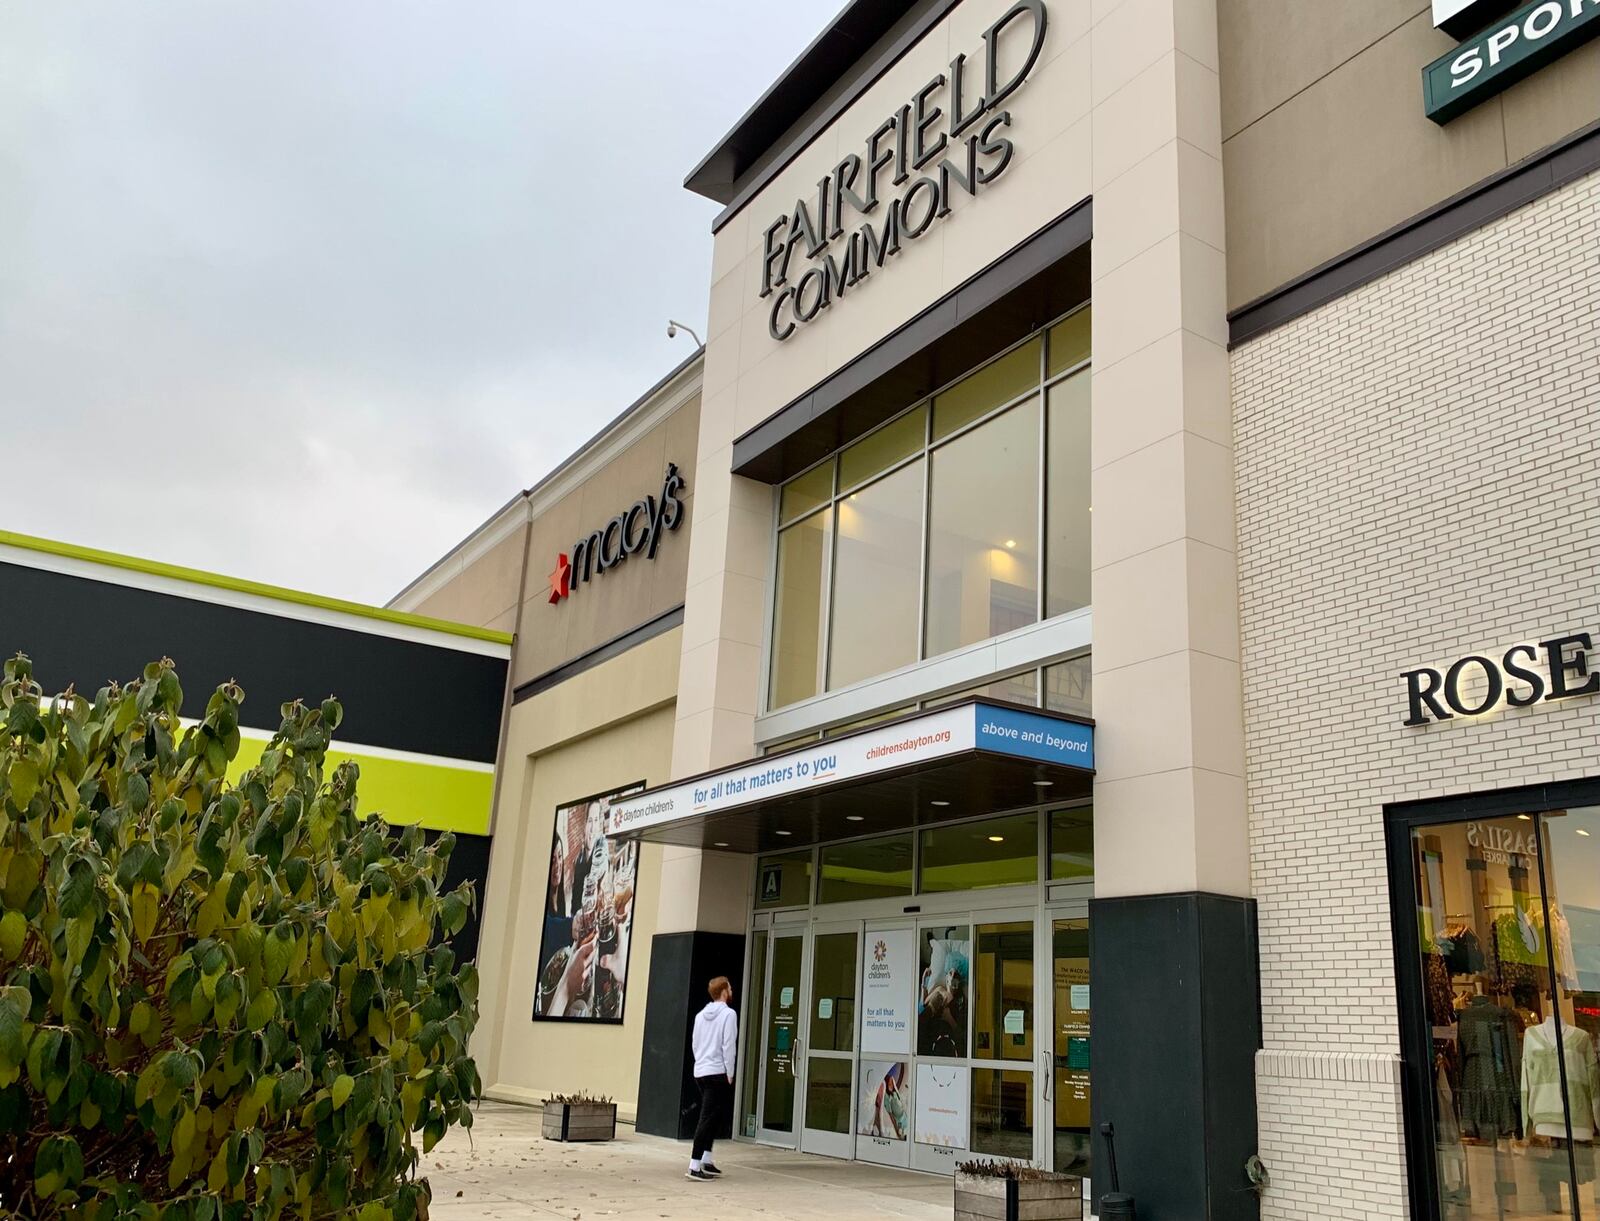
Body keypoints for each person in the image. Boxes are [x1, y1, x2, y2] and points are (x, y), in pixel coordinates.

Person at [687, 976, 737, 1182]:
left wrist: (701, 1062)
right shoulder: (728, 1014)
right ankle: (694, 1164)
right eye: (730, 988)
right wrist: (730, 1071)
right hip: (718, 1071)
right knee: (707, 1118)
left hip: (701, 1070)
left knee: (714, 1116)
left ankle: (706, 1159)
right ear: (724, 991)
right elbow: (728, 1045)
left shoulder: (700, 1015)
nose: (732, 991)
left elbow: (695, 1043)